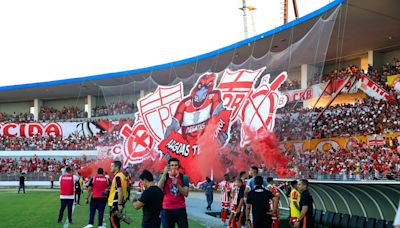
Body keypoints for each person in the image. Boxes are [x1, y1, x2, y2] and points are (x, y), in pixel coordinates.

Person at [158, 157, 190, 228]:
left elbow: (186, 194)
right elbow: (159, 189)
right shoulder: (163, 176)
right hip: (167, 209)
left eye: (176, 165)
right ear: (169, 166)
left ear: (178, 167)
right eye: (172, 165)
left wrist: (177, 185)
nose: (174, 167)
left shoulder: (183, 177)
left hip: (180, 208)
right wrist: (164, 174)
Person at [108, 160, 128, 228]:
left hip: (115, 204)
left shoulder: (117, 177)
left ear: (117, 167)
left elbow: (120, 191)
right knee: (116, 223)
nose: (110, 167)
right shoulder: (122, 176)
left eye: (112, 166)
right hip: (119, 203)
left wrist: (119, 204)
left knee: (114, 224)